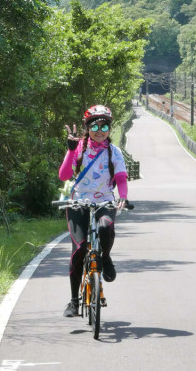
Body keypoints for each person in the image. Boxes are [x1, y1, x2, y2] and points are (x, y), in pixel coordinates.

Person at [58, 104, 129, 317]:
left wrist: (123, 197)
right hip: (78, 202)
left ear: (110, 128)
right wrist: (71, 152)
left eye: (104, 126)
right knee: (79, 249)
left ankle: (105, 258)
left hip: (104, 201)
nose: (99, 130)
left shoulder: (113, 152)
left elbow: (121, 178)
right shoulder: (78, 147)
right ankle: (73, 301)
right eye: (94, 126)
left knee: (106, 227)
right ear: (87, 127)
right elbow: (63, 176)